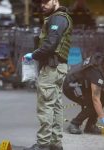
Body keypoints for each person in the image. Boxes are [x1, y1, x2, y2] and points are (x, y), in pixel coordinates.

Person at [23, 0, 73, 150]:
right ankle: (55, 142)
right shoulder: (62, 17)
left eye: (45, 2)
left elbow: (51, 43)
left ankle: (43, 144)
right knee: (56, 106)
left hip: (51, 68)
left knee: (45, 106)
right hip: (59, 67)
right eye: (40, 3)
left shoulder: (57, 18)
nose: (42, 5)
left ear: (55, 1)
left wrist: (34, 55)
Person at [63, 52, 104, 135]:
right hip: (71, 86)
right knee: (94, 103)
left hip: (84, 84)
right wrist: (102, 119)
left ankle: (90, 126)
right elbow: (95, 99)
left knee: (101, 98)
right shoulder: (96, 70)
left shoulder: (101, 60)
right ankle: (74, 124)